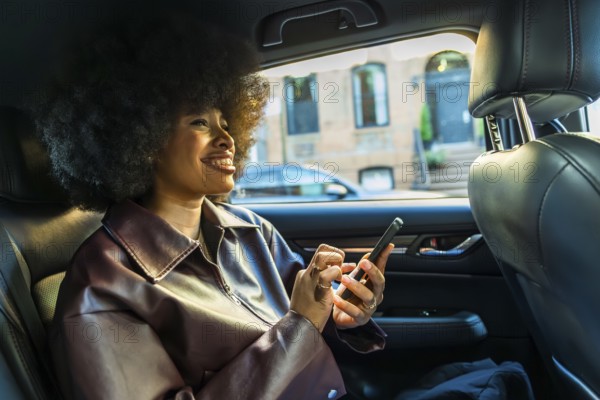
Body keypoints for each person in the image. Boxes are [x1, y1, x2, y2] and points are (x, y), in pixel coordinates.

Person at [36, 13, 391, 400]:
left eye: (226, 122)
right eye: (200, 122)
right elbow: (298, 327)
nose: (227, 139)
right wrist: (301, 323)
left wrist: (342, 317)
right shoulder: (101, 288)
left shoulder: (253, 231)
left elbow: (312, 321)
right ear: (143, 138)